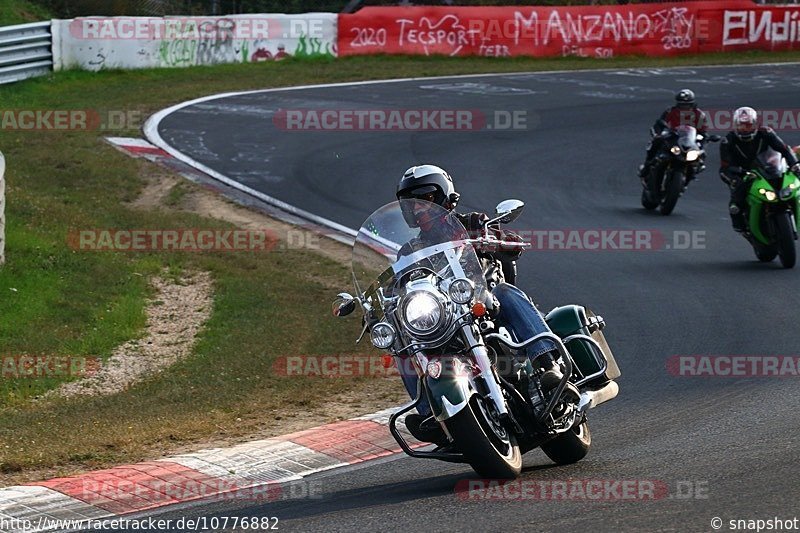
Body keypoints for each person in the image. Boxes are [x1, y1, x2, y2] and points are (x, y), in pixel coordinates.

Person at [395, 164, 562, 445]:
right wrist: (382, 305)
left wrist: (493, 241)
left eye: (425, 199)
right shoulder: (409, 251)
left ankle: (547, 365)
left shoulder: (473, 223)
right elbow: (398, 286)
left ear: (446, 197)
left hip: (485, 301)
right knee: (404, 343)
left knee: (506, 292)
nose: (419, 209)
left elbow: (513, 244)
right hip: (445, 316)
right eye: (411, 203)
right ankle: (427, 412)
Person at [719, 107, 800, 232]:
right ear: (735, 125)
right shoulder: (728, 141)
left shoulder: (766, 133)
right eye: (741, 126)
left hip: (767, 168)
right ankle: (739, 223)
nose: (745, 129)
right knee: (737, 197)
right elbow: (725, 166)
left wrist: (794, 164)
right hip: (743, 172)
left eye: (748, 125)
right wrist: (737, 173)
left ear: (755, 124)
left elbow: (784, 149)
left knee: (795, 176)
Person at [638, 89, 710, 181]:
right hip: (673, 136)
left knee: (701, 150)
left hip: (690, 139)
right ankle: (647, 166)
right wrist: (658, 133)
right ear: (677, 103)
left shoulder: (699, 114)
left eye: (687, 104)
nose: (684, 107)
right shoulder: (670, 111)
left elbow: (703, 131)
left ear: (692, 104)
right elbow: (660, 123)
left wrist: (704, 140)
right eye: (682, 105)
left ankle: (697, 167)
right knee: (656, 142)